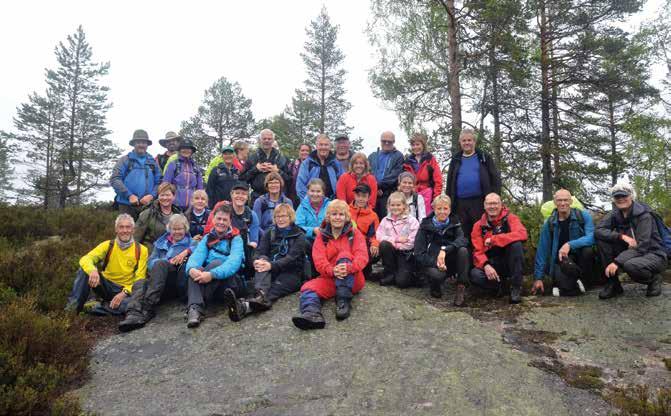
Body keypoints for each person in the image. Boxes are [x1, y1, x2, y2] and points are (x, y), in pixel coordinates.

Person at [292, 200, 368, 330]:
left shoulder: (354, 234)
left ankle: (343, 301)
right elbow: (319, 261)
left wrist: (349, 268)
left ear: (346, 217)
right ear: (328, 216)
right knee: (308, 288)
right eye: (334, 214)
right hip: (331, 277)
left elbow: (362, 256)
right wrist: (332, 270)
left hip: (352, 278)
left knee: (344, 255)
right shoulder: (322, 237)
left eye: (341, 214)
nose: (337, 217)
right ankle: (312, 315)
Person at [224, 203, 307, 321]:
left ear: (290, 217)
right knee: (262, 258)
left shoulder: (299, 235)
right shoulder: (270, 232)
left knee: (273, 289)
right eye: (278, 216)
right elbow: (259, 251)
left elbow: (291, 259)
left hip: (291, 273)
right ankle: (259, 295)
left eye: (284, 216)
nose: (281, 219)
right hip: (270, 269)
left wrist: (270, 265)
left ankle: (245, 306)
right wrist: (256, 261)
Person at [118, 214, 192, 332]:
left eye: (180, 229)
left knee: (161, 264)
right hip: (158, 283)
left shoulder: (191, 244)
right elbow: (150, 262)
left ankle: (148, 308)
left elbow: (195, 258)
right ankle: (133, 315)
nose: (177, 232)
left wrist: (175, 261)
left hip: (176, 284)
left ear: (185, 229)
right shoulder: (160, 243)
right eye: (174, 229)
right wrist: (164, 262)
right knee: (140, 282)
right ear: (169, 229)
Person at [65, 214, 148, 315]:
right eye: (121, 227)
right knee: (84, 270)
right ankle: (71, 311)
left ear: (133, 230)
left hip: (125, 290)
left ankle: (96, 307)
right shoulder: (108, 245)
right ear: (116, 230)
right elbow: (85, 258)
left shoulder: (141, 250)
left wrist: (124, 293)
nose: (125, 230)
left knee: (134, 304)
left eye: (128, 227)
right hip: (106, 286)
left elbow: (140, 279)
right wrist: (92, 270)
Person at [595, 182, 667, 299]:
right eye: (617, 197)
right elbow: (598, 230)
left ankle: (654, 279)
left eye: (624, 196)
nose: (621, 199)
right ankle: (614, 284)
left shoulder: (644, 215)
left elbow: (642, 247)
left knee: (631, 265)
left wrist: (616, 262)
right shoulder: (615, 214)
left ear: (631, 196)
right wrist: (621, 236)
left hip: (653, 254)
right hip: (632, 251)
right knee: (602, 240)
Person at [184, 204, 246, 328]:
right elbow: (197, 256)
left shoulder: (236, 239)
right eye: (219, 219)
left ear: (230, 222)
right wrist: (191, 269)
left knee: (217, 262)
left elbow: (233, 264)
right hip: (209, 280)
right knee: (195, 269)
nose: (221, 222)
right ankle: (195, 310)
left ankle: (195, 301)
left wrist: (212, 274)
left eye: (225, 220)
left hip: (230, 281)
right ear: (213, 219)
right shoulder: (208, 238)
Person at [532, 189, 596, 297]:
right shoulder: (549, 223)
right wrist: (538, 278)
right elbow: (542, 250)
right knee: (568, 290)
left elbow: (592, 238)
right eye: (559, 200)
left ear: (571, 201)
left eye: (566, 200)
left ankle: (584, 279)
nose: (562, 203)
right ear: (555, 202)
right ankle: (577, 282)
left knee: (588, 250)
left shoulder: (583, 216)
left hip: (580, 257)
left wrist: (569, 244)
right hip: (562, 261)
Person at [470, 193, 528, 304]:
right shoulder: (478, 225)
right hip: (491, 263)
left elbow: (522, 234)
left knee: (516, 245)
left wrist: (495, 239)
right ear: (484, 206)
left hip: (509, 262)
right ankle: (499, 287)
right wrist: (485, 265)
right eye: (489, 204)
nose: (492, 207)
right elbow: (477, 250)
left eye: (495, 203)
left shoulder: (511, 218)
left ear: (501, 205)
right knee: (475, 275)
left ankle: (516, 288)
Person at [445, 129, 501, 241]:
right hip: (460, 203)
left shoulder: (484, 157)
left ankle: (480, 258)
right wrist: (449, 201)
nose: (467, 143)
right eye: (464, 140)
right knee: (462, 234)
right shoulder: (456, 159)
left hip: (479, 202)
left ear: (474, 142)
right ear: (460, 142)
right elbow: (450, 181)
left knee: (479, 233)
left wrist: (495, 197)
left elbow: (495, 178)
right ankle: (464, 258)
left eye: (469, 140)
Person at [414, 195, 469, 305]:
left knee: (463, 251)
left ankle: (460, 289)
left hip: (450, 260)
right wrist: (436, 263)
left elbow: (463, 240)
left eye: (445, 208)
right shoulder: (425, 226)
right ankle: (434, 285)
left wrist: (445, 250)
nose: (442, 212)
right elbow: (419, 254)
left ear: (449, 210)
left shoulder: (455, 223)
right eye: (439, 209)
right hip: (432, 262)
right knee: (437, 275)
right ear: (433, 209)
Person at [110, 129, 162, 219]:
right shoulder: (124, 160)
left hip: (148, 205)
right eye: (138, 142)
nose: (141, 145)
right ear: (134, 144)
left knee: (147, 232)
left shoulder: (153, 162)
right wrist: (129, 195)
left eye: (144, 142)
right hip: (126, 205)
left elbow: (160, 181)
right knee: (126, 231)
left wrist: (152, 195)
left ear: (147, 145)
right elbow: (115, 179)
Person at [376, 191, 420, 287]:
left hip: (405, 253)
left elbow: (412, 242)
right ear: (388, 206)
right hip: (391, 251)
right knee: (384, 244)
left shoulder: (412, 221)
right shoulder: (385, 220)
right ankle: (390, 274)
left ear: (404, 205)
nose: (395, 208)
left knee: (402, 283)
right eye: (392, 205)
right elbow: (379, 236)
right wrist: (396, 240)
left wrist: (397, 244)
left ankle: (409, 274)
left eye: (398, 205)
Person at [240, 129, 291, 203]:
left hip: (278, 199)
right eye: (264, 138)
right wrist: (256, 169)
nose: (267, 141)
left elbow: (289, 179)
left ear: (273, 140)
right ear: (260, 140)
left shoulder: (282, 158)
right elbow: (242, 178)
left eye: (269, 139)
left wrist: (278, 171)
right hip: (257, 198)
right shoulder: (252, 158)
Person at [134, 183, 181, 253]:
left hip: (173, 254)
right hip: (151, 253)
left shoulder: (179, 215)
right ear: (158, 197)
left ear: (174, 196)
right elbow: (135, 238)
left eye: (168, 195)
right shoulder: (148, 214)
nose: (165, 198)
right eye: (162, 195)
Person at [403, 132, 443, 214]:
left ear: (423, 145)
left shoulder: (430, 159)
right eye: (413, 145)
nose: (415, 147)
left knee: (426, 218)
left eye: (418, 144)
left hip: (428, 194)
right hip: (412, 195)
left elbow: (438, 180)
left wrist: (436, 198)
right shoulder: (407, 162)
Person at [296, 134, 343, 201]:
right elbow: (300, 186)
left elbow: (342, 184)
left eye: (326, 145)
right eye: (321, 144)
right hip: (312, 204)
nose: (323, 147)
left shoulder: (336, 163)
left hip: (332, 203)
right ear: (316, 146)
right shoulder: (307, 163)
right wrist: (308, 203)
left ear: (330, 146)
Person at [369, 131, 404, 219]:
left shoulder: (398, 156)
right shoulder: (372, 156)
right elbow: (367, 173)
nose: (387, 143)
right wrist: (374, 188)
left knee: (387, 221)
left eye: (390, 141)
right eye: (384, 141)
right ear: (380, 141)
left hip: (388, 194)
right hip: (372, 195)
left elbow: (395, 175)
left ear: (394, 142)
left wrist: (378, 186)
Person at [348, 184, 380, 280]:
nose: (361, 199)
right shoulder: (346, 210)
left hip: (363, 244)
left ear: (368, 197)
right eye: (358, 195)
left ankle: (364, 267)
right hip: (347, 241)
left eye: (364, 196)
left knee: (373, 248)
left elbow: (374, 234)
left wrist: (375, 244)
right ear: (354, 196)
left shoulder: (373, 216)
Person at [162, 139, 204, 211]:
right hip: (175, 205)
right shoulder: (173, 164)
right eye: (183, 148)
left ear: (192, 151)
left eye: (188, 149)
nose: (186, 150)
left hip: (192, 207)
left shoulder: (196, 168)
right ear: (179, 150)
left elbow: (200, 189)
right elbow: (165, 185)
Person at [295, 178, 331, 244]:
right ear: (308, 192)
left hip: (327, 241)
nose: (315, 194)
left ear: (323, 193)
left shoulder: (330, 206)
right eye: (312, 191)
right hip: (307, 242)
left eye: (318, 191)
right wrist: (313, 231)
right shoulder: (302, 207)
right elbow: (297, 227)